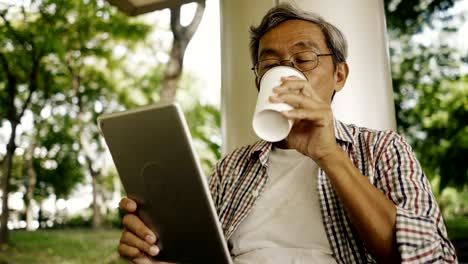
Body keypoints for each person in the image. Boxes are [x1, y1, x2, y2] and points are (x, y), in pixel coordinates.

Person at [117, 3, 458, 264]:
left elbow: (431, 257)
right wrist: (154, 251)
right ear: (258, 80)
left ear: (339, 75)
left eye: (304, 59)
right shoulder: (232, 167)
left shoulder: (383, 148)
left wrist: (330, 155)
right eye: (270, 65)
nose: (285, 73)